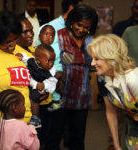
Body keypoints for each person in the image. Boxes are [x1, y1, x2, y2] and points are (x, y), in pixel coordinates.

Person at [46, 4, 98, 150]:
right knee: (54, 135)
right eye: (79, 24)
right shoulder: (59, 36)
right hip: (60, 97)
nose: (81, 30)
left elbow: (94, 64)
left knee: (77, 138)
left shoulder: (90, 41)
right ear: (72, 21)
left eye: (86, 27)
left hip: (81, 97)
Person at [88, 33, 138, 150]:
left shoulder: (133, 79)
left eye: (97, 59)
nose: (92, 63)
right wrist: (115, 144)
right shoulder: (103, 78)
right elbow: (111, 112)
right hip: (133, 125)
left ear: (111, 58)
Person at [0, 10, 33, 125]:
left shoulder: (22, 53)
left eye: (15, 39)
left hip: (24, 125)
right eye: (7, 42)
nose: (13, 45)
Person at [16, 44, 58, 128]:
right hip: (28, 85)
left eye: (53, 61)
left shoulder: (51, 71)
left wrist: (44, 85)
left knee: (34, 97)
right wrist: (21, 55)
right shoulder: (32, 61)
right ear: (38, 60)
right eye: (49, 61)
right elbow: (25, 58)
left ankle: (35, 118)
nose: (51, 64)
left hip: (38, 89)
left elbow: (53, 82)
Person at [37, 25, 63, 111]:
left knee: (56, 87)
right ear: (39, 36)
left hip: (55, 74)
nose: (48, 38)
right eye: (46, 34)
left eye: (52, 36)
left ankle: (56, 102)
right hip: (43, 80)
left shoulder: (54, 50)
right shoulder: (36, 50)